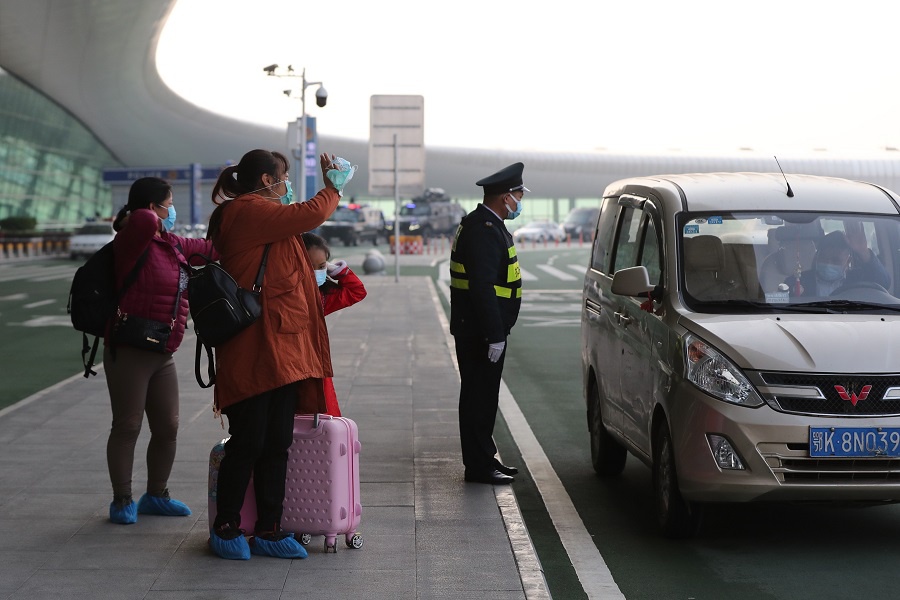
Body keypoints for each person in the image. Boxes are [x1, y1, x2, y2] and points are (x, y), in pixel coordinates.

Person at [206, 149, 343, 560]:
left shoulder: (266, 217)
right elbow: (309, 214)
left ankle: (269, 528)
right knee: (249, 440)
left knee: (277, 442)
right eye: (283, 177)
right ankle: (227, 527)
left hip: (283, 348)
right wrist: (332, 188)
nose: (287, 186)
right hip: (254, 348)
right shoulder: (246, 211)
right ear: (267, 180)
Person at [105, 177, 217, 524]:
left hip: (162, 352)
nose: (173, 210)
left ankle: (156, 494)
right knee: (128, 425)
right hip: (129, 348)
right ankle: (122, 499)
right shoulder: (132, 239)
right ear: (153, 208)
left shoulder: (173, 244)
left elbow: (213, 249)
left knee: (168, 426)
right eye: (168, 203)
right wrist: (145, 213)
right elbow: (140, 221)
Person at [448, 162, 527, 485]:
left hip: (479, 328)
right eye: (519, 195)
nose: (520, 201)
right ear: (505, 197)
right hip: (480, 332)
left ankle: (484, 457)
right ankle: (479, 466)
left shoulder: (485, 224)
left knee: (482, 396)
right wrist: (494, 334)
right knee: (479, 398)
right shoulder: (483, 230)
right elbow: (482, 286)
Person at [301, 231, 368, 417]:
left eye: (321, 266)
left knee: (322, 413)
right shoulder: (280, 295)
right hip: (289, 365)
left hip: (315, 365)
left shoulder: (323, 297)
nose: (316, 272)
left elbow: (357, 291)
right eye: (309, 266)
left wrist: (335, 270)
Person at [787, 226, 890, 297]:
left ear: (848, 261)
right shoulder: (795, 282)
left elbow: (884, 283)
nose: (828, 264)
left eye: (836, 260)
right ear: (817, 256)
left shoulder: (859, 280)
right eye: (824, 258)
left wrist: (864, 252)